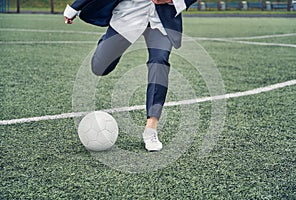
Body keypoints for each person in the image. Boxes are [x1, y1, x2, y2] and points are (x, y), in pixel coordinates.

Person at [64, 0, 197, 151]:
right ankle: (105, 43)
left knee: (159, 62)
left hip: (161, 19)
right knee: (100, 67)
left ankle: (151, 129)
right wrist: (74, 7)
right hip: (128, 15)